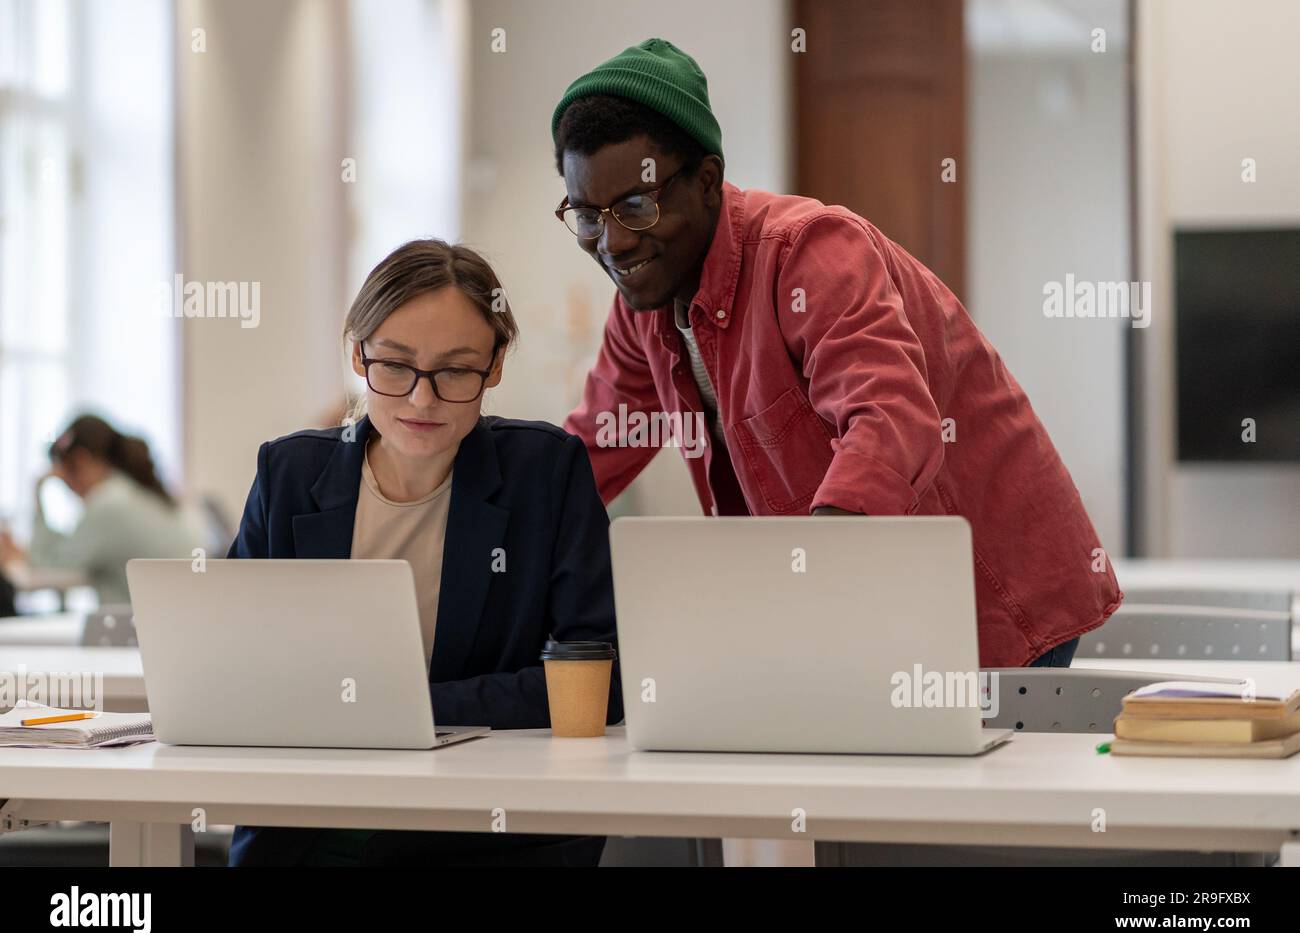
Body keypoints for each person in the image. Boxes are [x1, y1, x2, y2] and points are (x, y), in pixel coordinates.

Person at [553, 38, 1123, 669]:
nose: (613, 243)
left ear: (708, 182)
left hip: (992, 593)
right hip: (865, 605)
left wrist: (813, 580)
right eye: (587, 215)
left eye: (637, 205)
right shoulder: (643, 313)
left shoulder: (807, 251)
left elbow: (891, 419)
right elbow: (589, 452)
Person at [226, 239, 620, 866]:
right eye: (396, 365)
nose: (422, 399)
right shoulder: (290, 473)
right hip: (306, 823)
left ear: (494, 366)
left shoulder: (543, 473)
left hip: (484, 830)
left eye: (457, 370)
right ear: (358, 354)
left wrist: (401, 710)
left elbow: (598, 681)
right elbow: (234, 664)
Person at [0, 415, 201, 606]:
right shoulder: (136, 492)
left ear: (80, 460)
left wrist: (39, 492)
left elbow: (46, 563)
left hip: (143, 631)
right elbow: (67, 551)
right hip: (176, 621)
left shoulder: (110, 504)